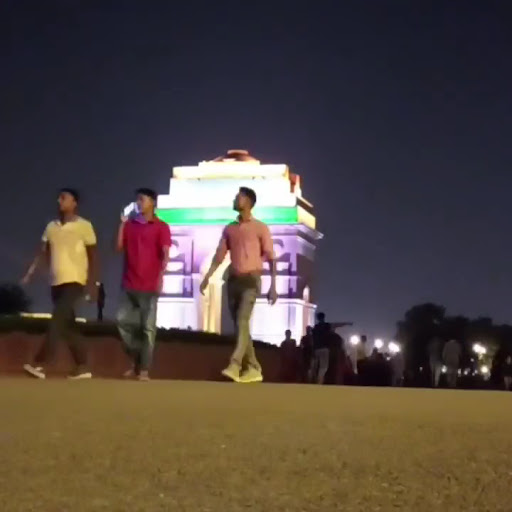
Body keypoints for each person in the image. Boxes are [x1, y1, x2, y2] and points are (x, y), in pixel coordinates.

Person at [200, 187, 277, 383]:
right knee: (240, 326)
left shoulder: (260, 228)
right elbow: (219, 255)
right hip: (233, 281)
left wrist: (273, 286)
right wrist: (207, 277)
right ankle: (254, 367)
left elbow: (271, 257)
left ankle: (235, 365)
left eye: (238, 197)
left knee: (242, 321)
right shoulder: (229, 228)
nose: (235, 200)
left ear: (248, 202)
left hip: (251, 280)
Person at [21, 188, 99, 379]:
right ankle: (82, 366)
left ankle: (40, 363)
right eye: (59, 198)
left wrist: (93, 284)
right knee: (68, 326)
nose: (59, 201)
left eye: (64, 198)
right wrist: (30, 273)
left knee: (57, 321)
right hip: (56, 282)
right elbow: (43, 252)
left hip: (76, 281)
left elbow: (93, 257)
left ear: (74, 203)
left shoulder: (84, 226)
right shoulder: (51, 227)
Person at [116, 188, 171, 381]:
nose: (139, 203)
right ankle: (138, 360)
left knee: (148, 329)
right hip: (129, 283)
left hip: (149, 285)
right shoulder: (130, 225)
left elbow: (165, 254)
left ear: (153, 202)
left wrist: (161, 277)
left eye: (142, 199)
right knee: (122, 322)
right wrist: (122, 224)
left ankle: (144, 369)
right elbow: (118, 247)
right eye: (137, 200)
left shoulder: (161, 226)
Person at [311, 312, 331, 384]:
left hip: (316, 349)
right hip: (324, 348)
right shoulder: (327, 326)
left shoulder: (315, 327)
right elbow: (335, 325)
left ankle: (311, 378)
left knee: (315, 366)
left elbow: (313, 339)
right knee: (323, 367)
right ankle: (319, 381)